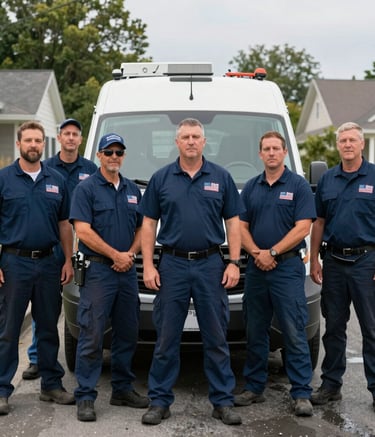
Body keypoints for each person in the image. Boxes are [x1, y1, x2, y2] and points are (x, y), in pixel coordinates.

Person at [139, 118, 243, 426]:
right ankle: (159, 401)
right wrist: (147, 265)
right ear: (177, 142)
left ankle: (222, 401)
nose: (191, 141)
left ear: (204, 141)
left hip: (211, 264)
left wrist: (234, 262)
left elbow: (234, 222)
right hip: (171, 264)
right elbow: (148, 224)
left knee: (215, 336)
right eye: (185, 136)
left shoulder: (221, 177)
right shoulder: (161, 178)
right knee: (167, 336)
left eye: (196, 136)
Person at [234, 131, 316, 417]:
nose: (271, 153)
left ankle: (301, 392)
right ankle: (254, 387)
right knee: (255, 329)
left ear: (284, 153)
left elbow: (303, 227)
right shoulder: (252, 188)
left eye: (275, 148)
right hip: (256, 268)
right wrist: (258, 253)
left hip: (287, 268)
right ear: (260, 154)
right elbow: (240, 227)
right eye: (266, 149)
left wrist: (273, 252)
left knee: (293, 330)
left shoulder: (298, 186)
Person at [69, 132, 149, 422]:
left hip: (126, 272)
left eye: (119, 152)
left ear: (123, 156)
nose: (114, 157)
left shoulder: (131, 189)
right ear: (99, 156)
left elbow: (142, 228)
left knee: (128, 332)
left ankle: (122, 389)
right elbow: (84, 230)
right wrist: (115, 255)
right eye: (109, 152)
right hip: (99, 271)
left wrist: (128, 254)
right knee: (91, 333)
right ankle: (86, 396)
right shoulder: (86, 189)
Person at [0, 120, 75, 416]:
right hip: (13, 263)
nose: (33, 145)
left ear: (44, 145)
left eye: (38, 141)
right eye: (28, 140)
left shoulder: (56, 179)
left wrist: (68, 260)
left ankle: (51, 385)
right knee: (8, 329)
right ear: (18, 144)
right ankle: (3, 389)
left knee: (48, 327)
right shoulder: (4, 179)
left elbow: (64, 224)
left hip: (48, 263)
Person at [22, 118, 97, 381]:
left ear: (80, 139)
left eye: (76, 134)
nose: (71, 138)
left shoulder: (90, 169)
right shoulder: (46, 167)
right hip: (50, 244)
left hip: (82, 244)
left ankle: (75, 354)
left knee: (75, 301)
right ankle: (36, 359)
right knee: (43, 306)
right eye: (66, 133)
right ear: (59, 137)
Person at [310, 122, 375, 410]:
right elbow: (319, 222)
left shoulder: (374, 176)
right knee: (333, 327)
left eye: (352, 140)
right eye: (343, 141)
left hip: (366, 261)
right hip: (334, 261)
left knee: (371, 329)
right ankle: (331, 385)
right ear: (338, 145)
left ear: (362, 145)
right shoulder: (327, 180)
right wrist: (313, 258)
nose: (347, 145)